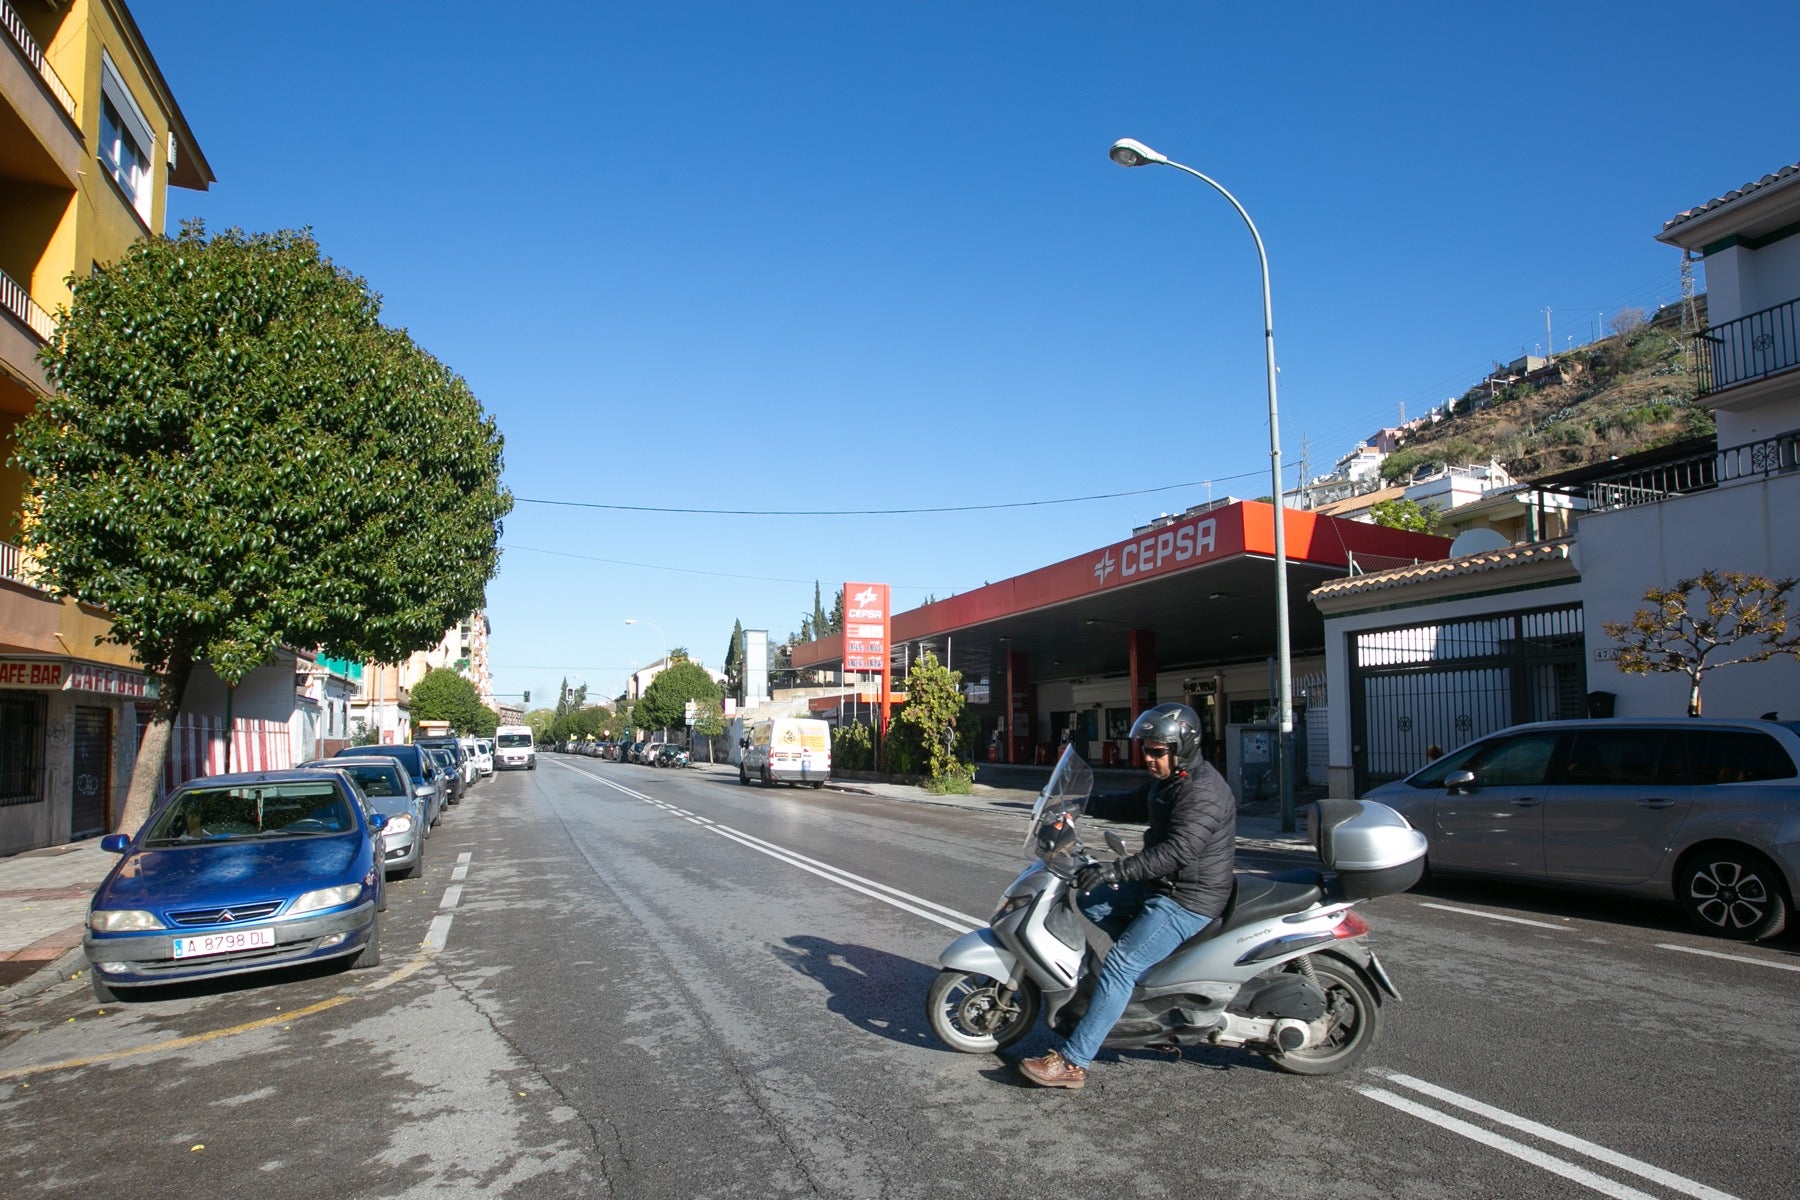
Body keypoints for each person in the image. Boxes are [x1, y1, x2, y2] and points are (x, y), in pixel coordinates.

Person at [1019, 702, 1237, 1090]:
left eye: (1157, 752)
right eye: (1146, 751)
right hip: (1167, 885)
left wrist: (1114, 870)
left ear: (1182, 748)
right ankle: (1143, 976)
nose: (1148, 759)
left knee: (1120, 965)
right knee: (1089, 896)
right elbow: (1135, 803)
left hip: (1189, 898)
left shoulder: (1202, 792)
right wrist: (1077, 805)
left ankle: (1073, 1062)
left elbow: (1176, 852)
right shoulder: (1171, 781)